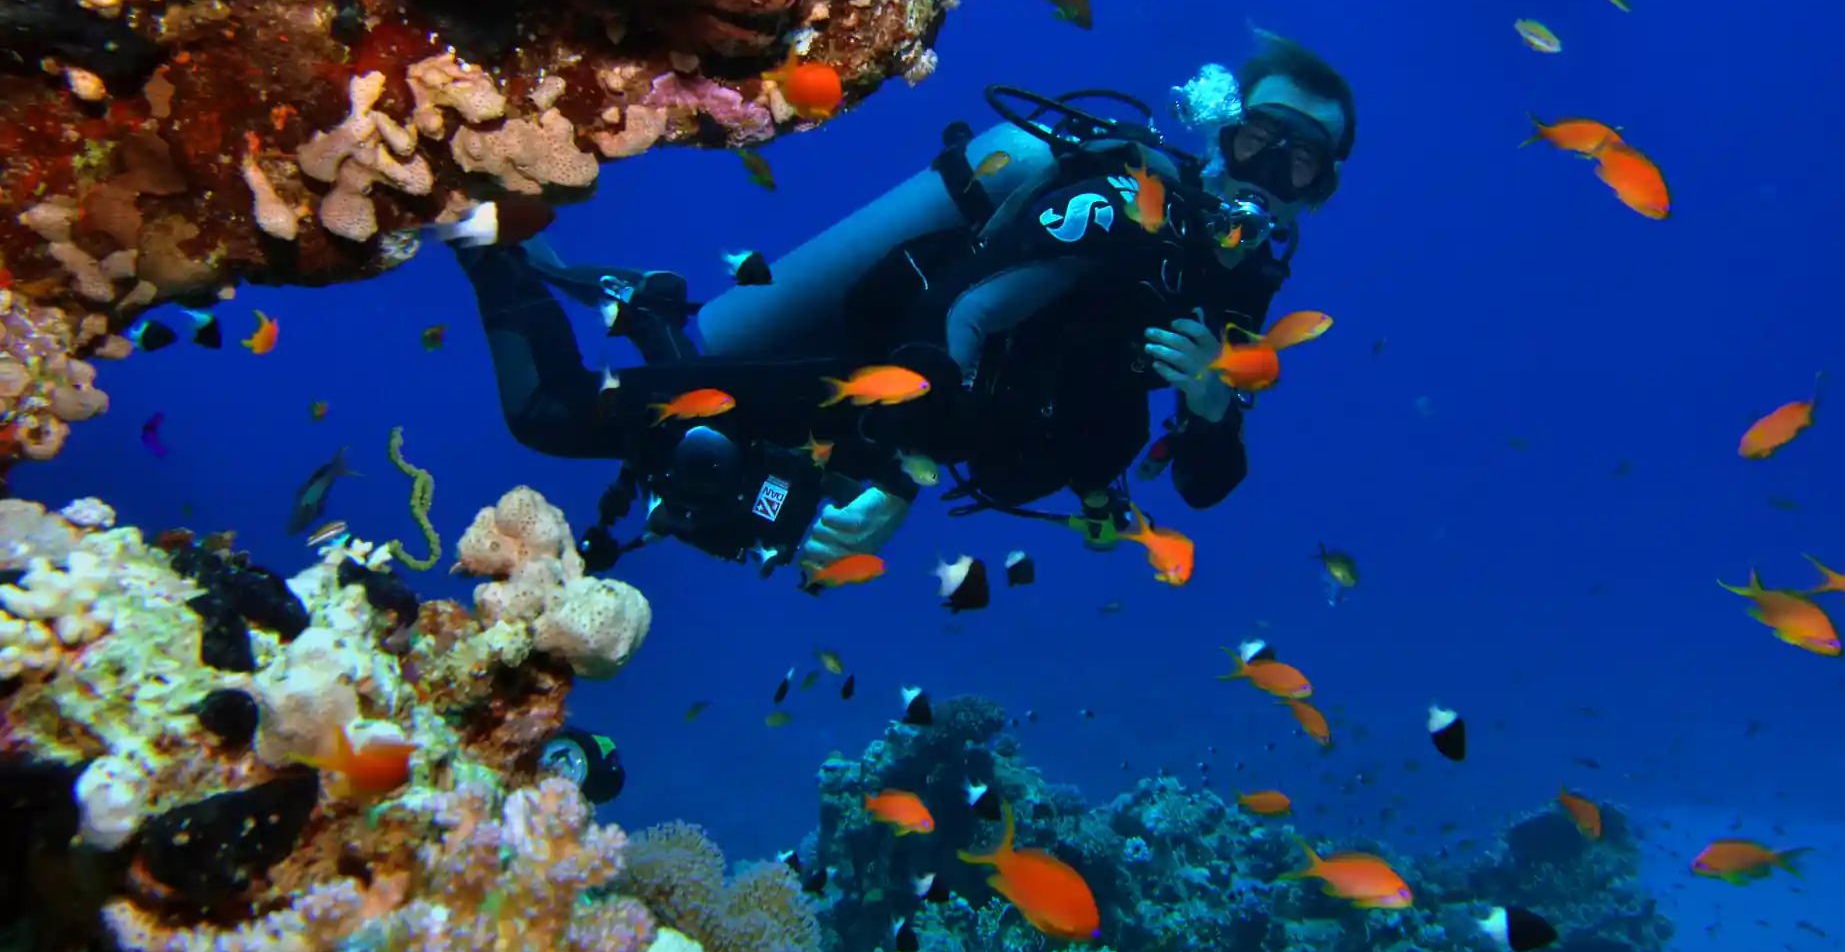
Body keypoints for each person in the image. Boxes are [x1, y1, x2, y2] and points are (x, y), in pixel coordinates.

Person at [449, 31, 1357, 580]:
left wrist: (1207, 407)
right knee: (552, 414)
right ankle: (471, 225)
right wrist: (893, 470)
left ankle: (627, 303)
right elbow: (960, 316)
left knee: (711, 480)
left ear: (1320, 190)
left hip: (910, 423)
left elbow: (1206, 484)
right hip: (886, 387)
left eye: (1301, 160)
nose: (1269, 173)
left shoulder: (1240, 287)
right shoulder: (1125, 201)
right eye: (1258, 140)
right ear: (1221, 132)